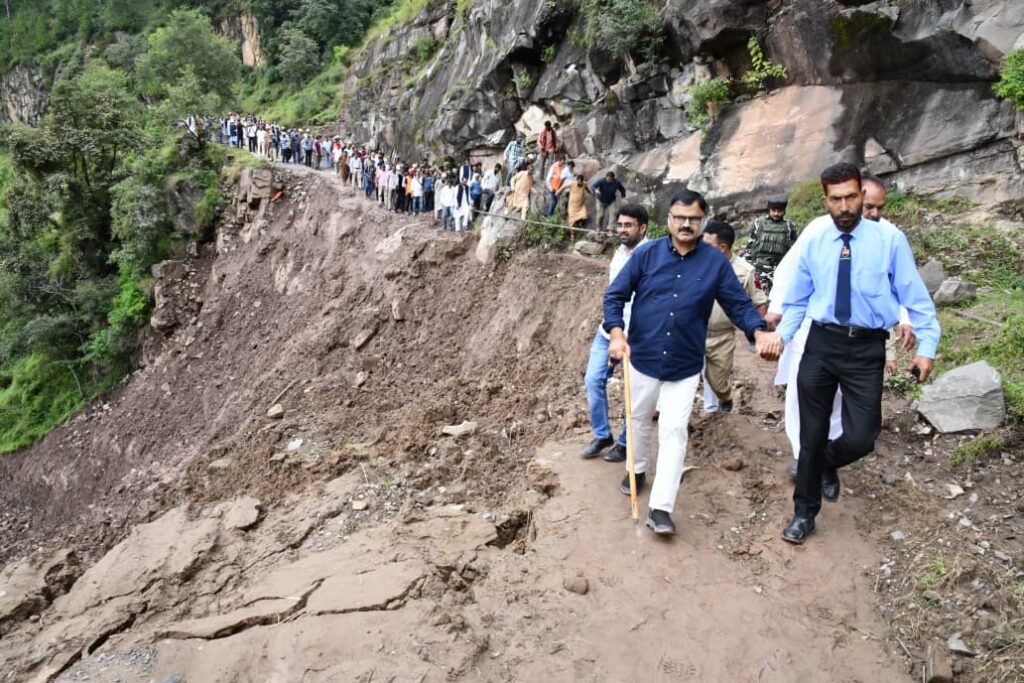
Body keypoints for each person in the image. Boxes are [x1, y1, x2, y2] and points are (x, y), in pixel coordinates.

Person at [777, 163, 939, 544]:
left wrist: (927, 347)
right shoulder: (815, 237)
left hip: (866, 349)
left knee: (863, 436)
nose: (845, 206)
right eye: (836, 199)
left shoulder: (890, 240)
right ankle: (804, 513)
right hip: (821, 344)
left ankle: (821, 464)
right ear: (825, 200)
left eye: (851, 197)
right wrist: (781, 337)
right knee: (811, 433)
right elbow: (797, 299)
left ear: (862, 196)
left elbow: (915, 297)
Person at [605, 190, 783, 536]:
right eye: (680, 217)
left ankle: (661, 508)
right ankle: (637, 469)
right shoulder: (646, 255)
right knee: (638, 418)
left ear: (703, 221)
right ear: (669, 219)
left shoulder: (715, 263)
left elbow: (738, 304)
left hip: (685, 364)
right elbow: (615, 295)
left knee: (674, 431)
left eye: (694, 219)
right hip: (642, 356)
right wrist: (616, 333)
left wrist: (758, 331)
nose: (686, 224)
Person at [768, 175, 917, 478]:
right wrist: (776, 309)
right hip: (814, 328)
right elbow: (791, 271)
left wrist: (905, 318)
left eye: (879, 208)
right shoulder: (818, 231)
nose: (873, 214)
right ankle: (802, 455)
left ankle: (825, 459)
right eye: (869, 207)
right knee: (804, 394)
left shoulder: (888, 237)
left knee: (839, 398)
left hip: (860, 338)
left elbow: (898, 283)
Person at [581, 204, 650, 462]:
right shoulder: (618, 253)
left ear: (642, 228)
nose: (622, 229)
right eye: (620, 225)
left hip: (638, 334)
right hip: (609, 330)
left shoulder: (652, 256)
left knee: (634, 391)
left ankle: (624, 442)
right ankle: (602, 434)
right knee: (593, 380)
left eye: (628, 225)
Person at [701, 221, 768, 414]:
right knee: (685, 375)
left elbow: (759, 301)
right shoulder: (697, 265)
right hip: (694, 330)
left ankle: (725, 397)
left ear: (722, 247)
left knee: (716, 378)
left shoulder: (744, 271)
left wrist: (759, 335)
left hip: (721, 335)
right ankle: (707, 413)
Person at [747, 195, 798, 294]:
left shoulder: (790, 227)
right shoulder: (759, 223)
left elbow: (795, 250)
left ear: (784, 211)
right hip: (760, 268)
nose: (776, 213)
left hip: (781, 270)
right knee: (761, 297)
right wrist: (748, 265)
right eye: (773, 210)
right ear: (769, 210)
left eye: (779, 211)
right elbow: (750, 244)